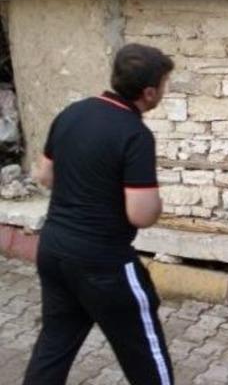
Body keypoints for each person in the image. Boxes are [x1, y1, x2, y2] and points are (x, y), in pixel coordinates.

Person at [23, 44, 174, 385]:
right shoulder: (135, 135)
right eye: (164, 85)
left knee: (55, 344)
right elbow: (140, 214)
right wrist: (157, 203)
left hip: (55, 250)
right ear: (148, 92)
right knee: (147, 358)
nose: (164, 92)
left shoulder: (73, 112)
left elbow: (44, 176)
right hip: (104, 264)